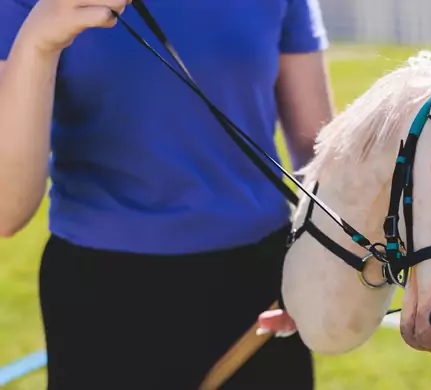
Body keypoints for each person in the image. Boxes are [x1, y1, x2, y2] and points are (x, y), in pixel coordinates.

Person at [0, 0, 335, 388]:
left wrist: (318, 270)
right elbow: (8, 210)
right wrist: (39, 40)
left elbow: (318, 152)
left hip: (259, 286)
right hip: (103, 296)